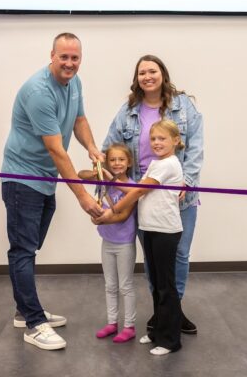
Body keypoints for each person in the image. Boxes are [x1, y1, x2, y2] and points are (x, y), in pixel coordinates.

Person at [1, 32, 104, 351]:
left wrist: (92, 148)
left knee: (31, 244)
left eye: (75, 58)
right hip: (21, 178)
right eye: (64, 57)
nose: (70, 63)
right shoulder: (39, 92)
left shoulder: (75, 83)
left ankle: (24, 309)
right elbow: (58, 151)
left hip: (45, 178)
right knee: (23, 249)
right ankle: (33, 323)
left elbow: (80, 119)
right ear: (52, 56)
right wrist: (84, 197)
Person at [101, 54, 203, 334]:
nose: (148, 76)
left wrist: (187, 182)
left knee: (179, 254)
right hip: (141, 196)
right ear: (137, 79)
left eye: (152, 71)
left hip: (178, 194)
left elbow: (195, 147)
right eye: (142, 73)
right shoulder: (128, 110)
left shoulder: (183, 106)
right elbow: (109, 147)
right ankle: (161, 310)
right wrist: (107, 178)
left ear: (162, 74)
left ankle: (174, 309)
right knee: (153, 258)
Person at [94, 120, 184, 355]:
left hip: (166, 231)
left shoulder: (168, 165)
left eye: (162, 138)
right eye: (153, 139)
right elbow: (134, 189)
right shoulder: (156, 164)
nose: (156, 143)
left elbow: (138, 191)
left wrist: (113, 211)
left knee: (166, 287)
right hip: (151, 229)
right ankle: (157, 331)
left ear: (175, 140)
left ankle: (169, 340)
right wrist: (112, 182)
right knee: (156, 285)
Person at [78, 143, 137, 343]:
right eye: (113, 160)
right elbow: (79, 174)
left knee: (125, 286)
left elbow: (123, 215)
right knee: (110, 285)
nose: (117, 163)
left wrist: (100, 219)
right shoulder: (105, 181)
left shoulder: (131, 187)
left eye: (121, 159)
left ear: (129, 163)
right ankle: (112, 323)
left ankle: (129, 326)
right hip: (107, 242)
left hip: (124, 244)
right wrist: (98, 170)